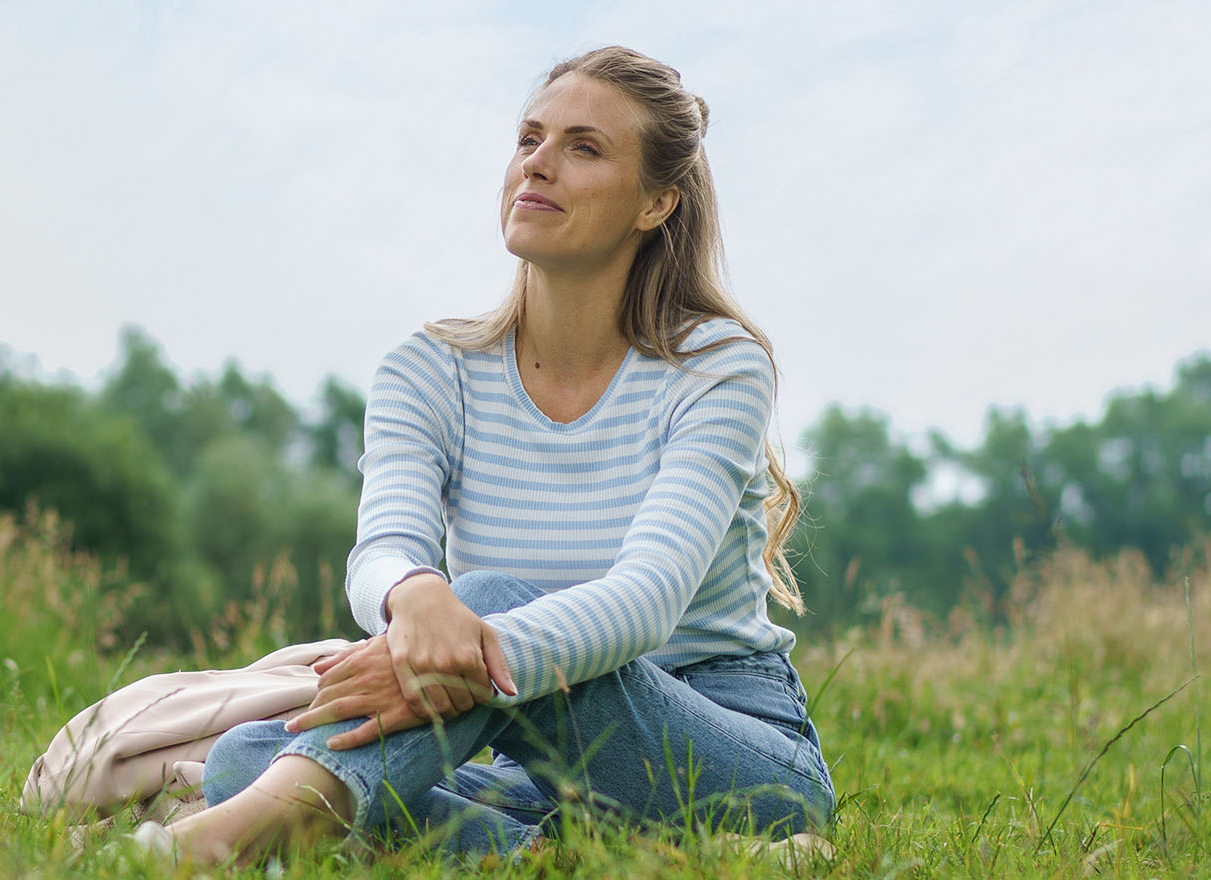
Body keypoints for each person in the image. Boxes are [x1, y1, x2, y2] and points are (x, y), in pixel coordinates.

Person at [148, 45, 835, 865]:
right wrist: (414, 595)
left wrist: (469, 636)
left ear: (657, 202)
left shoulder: (715, 366)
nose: (537, 165)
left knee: (491, 600)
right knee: (244, 758)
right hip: (536, 761)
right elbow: (382, 552)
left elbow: (646, 602)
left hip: (727, 743)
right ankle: (583, 858)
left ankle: (211, 845)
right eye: (529, 139)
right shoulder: (428, 367)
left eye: (583, 148)